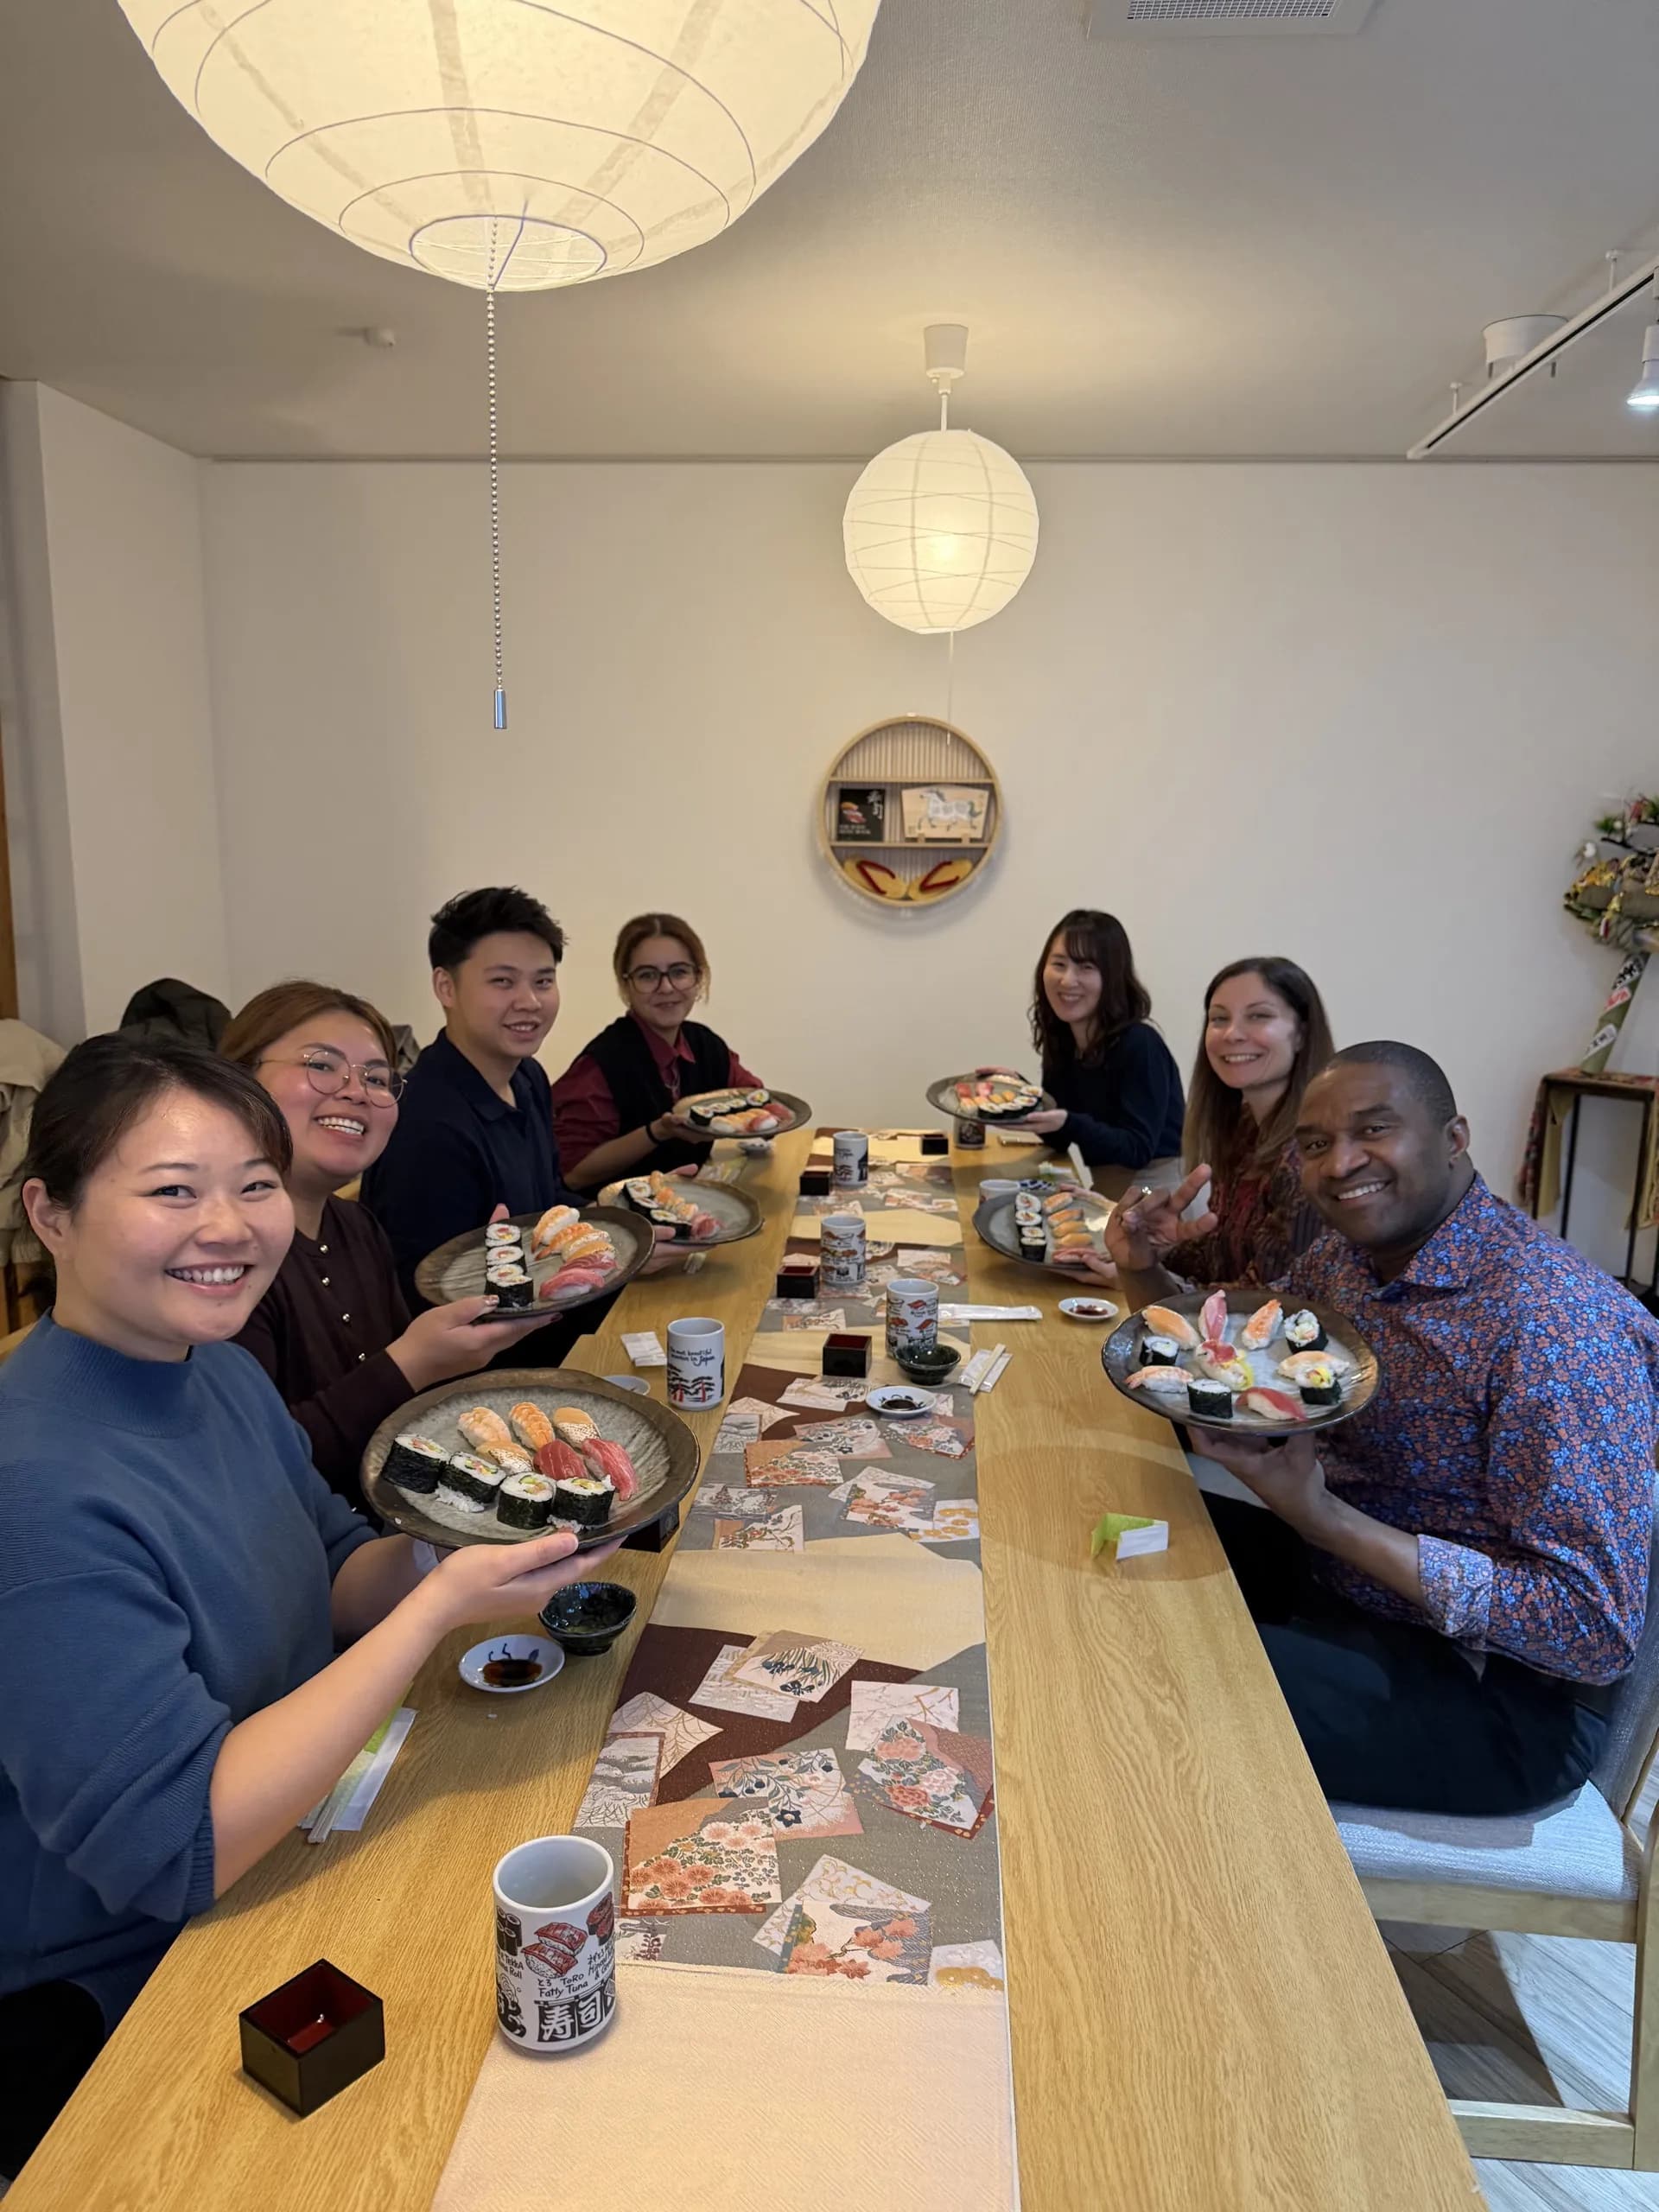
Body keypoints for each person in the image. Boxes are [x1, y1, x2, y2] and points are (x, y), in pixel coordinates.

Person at [0, 1037, 603, 2177]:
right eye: (173, 1190)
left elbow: (333, 1576)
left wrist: (458, 1547)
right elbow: (175, 1844)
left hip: (307, 1836)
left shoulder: (210, 1364)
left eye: (255, 1185)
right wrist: (437, 1615)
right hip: (128, 1982)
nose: (228, 1228)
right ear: (52, 1213)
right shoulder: (32, 1485)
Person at [1113, 1040, 1659, 1819]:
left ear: (1455, 1138)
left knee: (1141, 1681)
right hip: (1344, 1582)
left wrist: (1321, 1517)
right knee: (1113, 1562)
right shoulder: (1352, 1256)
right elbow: (1248, 1351)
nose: (1340, 1163)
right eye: (1315, 1144)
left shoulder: (1559, 1329)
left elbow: (1588, 1630)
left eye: (1374, 1130)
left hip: (1497, 1693)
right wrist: (1143, 1268)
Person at [221, 982, 546, 1507]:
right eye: (322, 1065)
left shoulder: (356, 1226)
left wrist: (489, 1298)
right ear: (238, 1082)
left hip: (401, 1517)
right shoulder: (219, 1257)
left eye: (376, 1077)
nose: (356, 1091)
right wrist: (415, 1359)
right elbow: (258, 1469)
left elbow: (410, 1411)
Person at [360, 887, 577, 1306]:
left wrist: (629, 1223)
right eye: (503, 981)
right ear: (446, 987)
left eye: (543, 981)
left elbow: (550, 1205)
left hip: (545, 1308)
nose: (530, 1001)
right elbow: (435, 1295)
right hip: (487, 1351)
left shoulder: (528, 1078)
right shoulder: (426, 1124)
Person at [1092, 957, 1332, 1289]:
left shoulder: (1308, 1157)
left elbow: (1267, 1303)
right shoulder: (1243, 1127)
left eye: (1258, 1016)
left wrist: (1142, 1277)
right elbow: (1222, 1254)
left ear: (1302, 1034)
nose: (1232, 1034)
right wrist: (1156, 1248)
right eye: (1219, 1018)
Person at [552, 914, 763, 1190]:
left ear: (698, 978)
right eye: (647, 975)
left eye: (679, 972)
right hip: (615, 1221)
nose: (666, 988)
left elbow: (756, 1101)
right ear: (626, 985)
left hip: (687, 1206)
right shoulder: (600, 1065)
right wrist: (657, 1132)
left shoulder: (706, 1045)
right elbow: (573, 1174)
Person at [1007, 910, 1185, 1200]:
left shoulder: (1141, 1043)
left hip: (1157, 1190)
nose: (1067, 980)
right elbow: (1060, 1135)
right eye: (1059, 964)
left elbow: (1137, 1149)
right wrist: (1021, 1098)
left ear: (1113, 977)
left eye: (1086, 967)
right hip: (1111, 1184)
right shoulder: (1065, 1040)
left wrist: (1069, 1121)